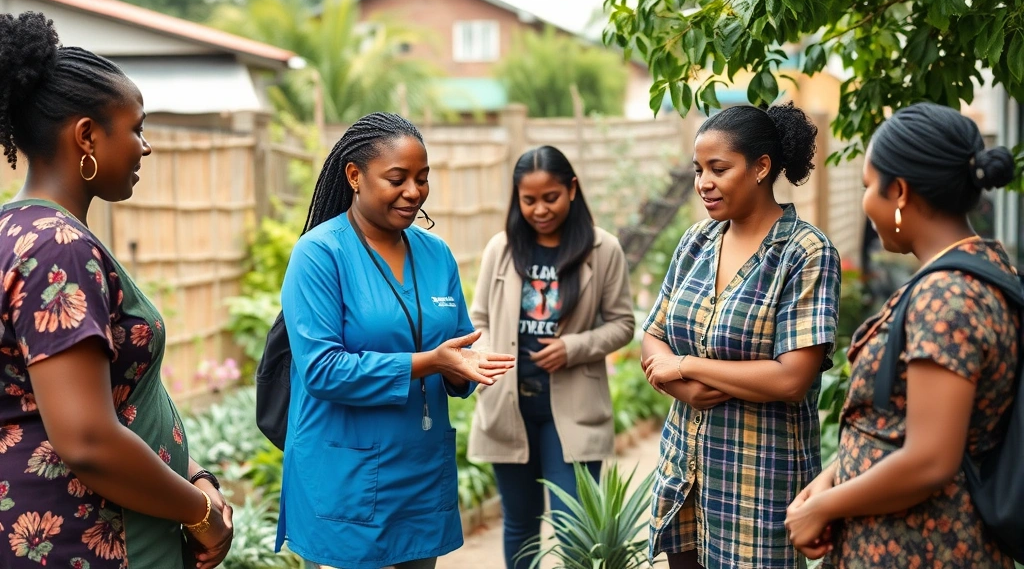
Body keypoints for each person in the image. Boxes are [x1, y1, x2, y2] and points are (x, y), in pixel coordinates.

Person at [0, 12, 232, 569]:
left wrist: (195, 473)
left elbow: (125, 396)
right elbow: (87, 438)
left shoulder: (17, 229)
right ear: (86, 135)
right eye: (136, 128)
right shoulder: (58, 248)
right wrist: (200, 512)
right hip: (87, 541)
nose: (145, 147)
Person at [276, 112, 516, 569]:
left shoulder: (435, 254)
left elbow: (455, 347)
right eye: (397, 178)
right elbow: (323, 370)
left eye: (422, 179)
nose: (414, 191)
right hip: (347, 475)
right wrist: (431, 362)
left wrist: (467, 367)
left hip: (420, 472)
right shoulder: (320, 254)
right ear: (354, 176)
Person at [785, 103, 1018, 568]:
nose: (866, 200)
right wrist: (835, 476)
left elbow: (931, 459)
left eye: (871, 185)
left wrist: (824, 507)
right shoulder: (979, 268)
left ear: (901, 192)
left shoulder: (947, 299)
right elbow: (907, 424)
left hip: (925, 548)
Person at [641, 103, 841, 569]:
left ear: (761, 168)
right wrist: (683, 386)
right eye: (698, 170)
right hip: (684, 477)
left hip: (756, 489)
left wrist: (687, 365)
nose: (703, 183)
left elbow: (792, 379)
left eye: (718, 169)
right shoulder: (696, 241)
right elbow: (653, 338)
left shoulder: (805, 254)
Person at [467, 145, 635, 568]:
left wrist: (573, 348)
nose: (539, 209)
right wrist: (483, 356)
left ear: (572, 189)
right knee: (520, 524)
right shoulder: (499, 249)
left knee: (574, 527)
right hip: (509, 405)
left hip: (572, 408)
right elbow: (479, 316)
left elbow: (622, 323)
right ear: (516, 198)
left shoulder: (603, 249)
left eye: (550, 198)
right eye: (529, 200)